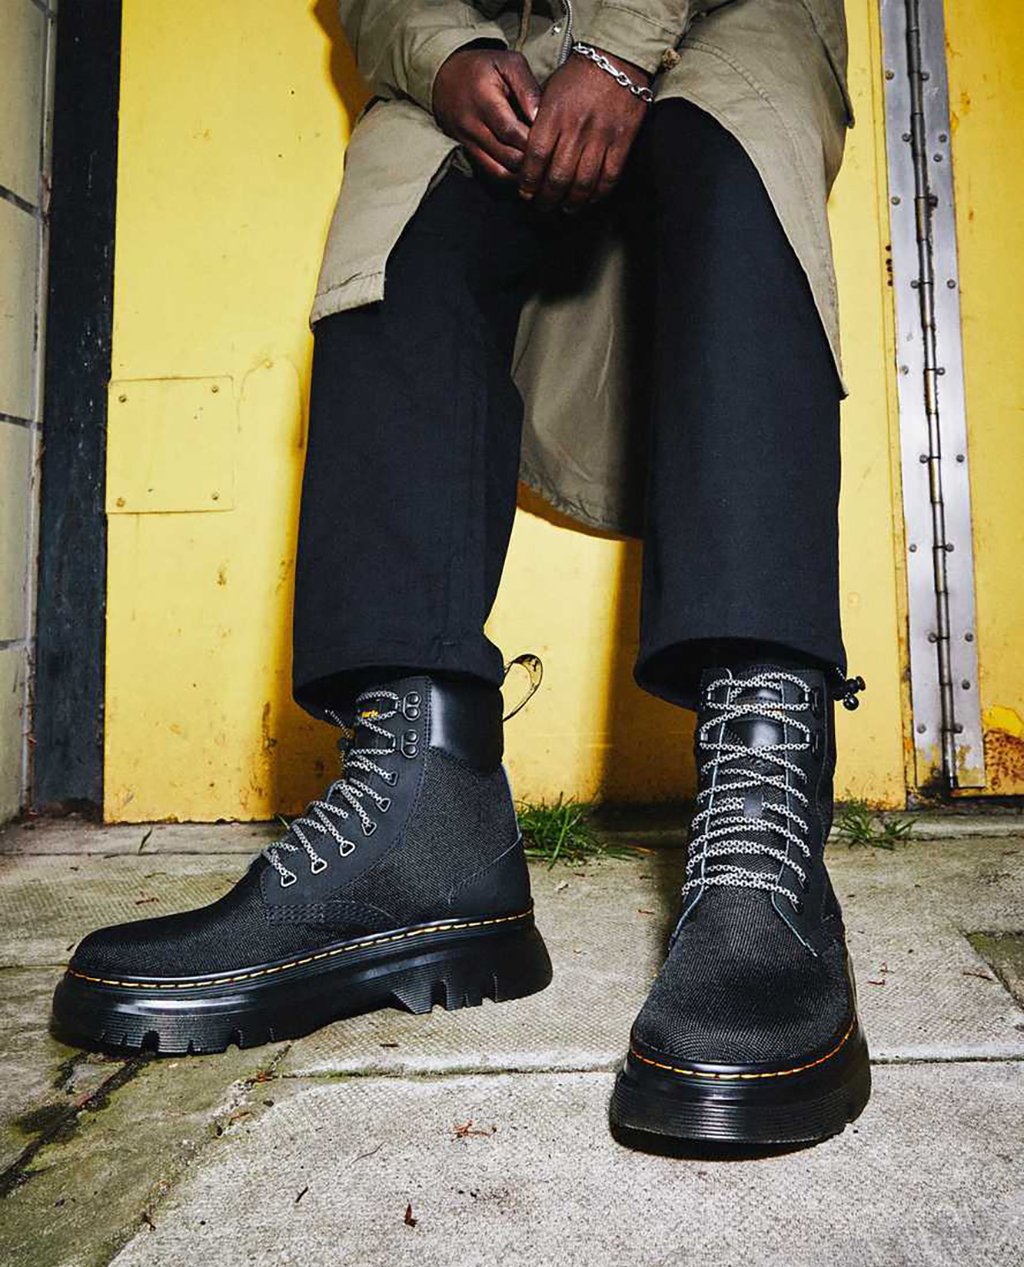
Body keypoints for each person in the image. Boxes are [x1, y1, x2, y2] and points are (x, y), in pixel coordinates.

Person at [53, 0, 872, 1149]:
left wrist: (617, 49)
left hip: (717, 13)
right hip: (502, 39)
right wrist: (442, 56)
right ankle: (421, 820)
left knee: (732, 143)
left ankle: (761, 804)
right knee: (409, 206)